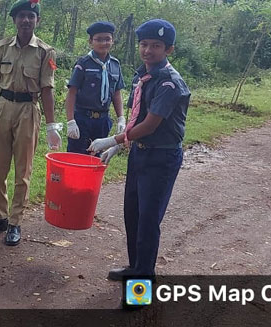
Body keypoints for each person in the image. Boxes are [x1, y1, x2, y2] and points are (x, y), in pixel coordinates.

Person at [87, 19, 190, 281]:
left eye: (156, 45)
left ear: (169, 50)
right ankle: (136, 268)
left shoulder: (169, 82)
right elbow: (136, 116)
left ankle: (141, 285)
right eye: (144, 44)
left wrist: (113, 140)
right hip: (140, 153)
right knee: (132, 215)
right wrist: (122, 147)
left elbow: (150, 124)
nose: (148, 50)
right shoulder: (142, 76)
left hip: (161, 157)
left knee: (148, 221)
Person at [0, 0, 61, 246]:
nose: (26, 21)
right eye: (22, 16)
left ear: (37, 21)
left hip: (28, 110)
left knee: (22, 171)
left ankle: (15, 222)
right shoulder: (3, 47)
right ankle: (0, 216)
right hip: (3, 106)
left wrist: (51, 126)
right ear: (14, 20)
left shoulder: (45, 51)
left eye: (31, 16)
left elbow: (47, 89)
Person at [65, 21, 125, 154]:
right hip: (82, 118)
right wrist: (70, 121)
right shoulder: (83, 64)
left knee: (96, 157)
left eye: (107, 39)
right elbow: (72, 92)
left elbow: (116, 93)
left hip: (103, 120)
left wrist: (121, 118)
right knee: (77, 155)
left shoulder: (115, 64)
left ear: (112, 41)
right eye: (99, 39)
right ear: (91, 41)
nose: (104, 43)